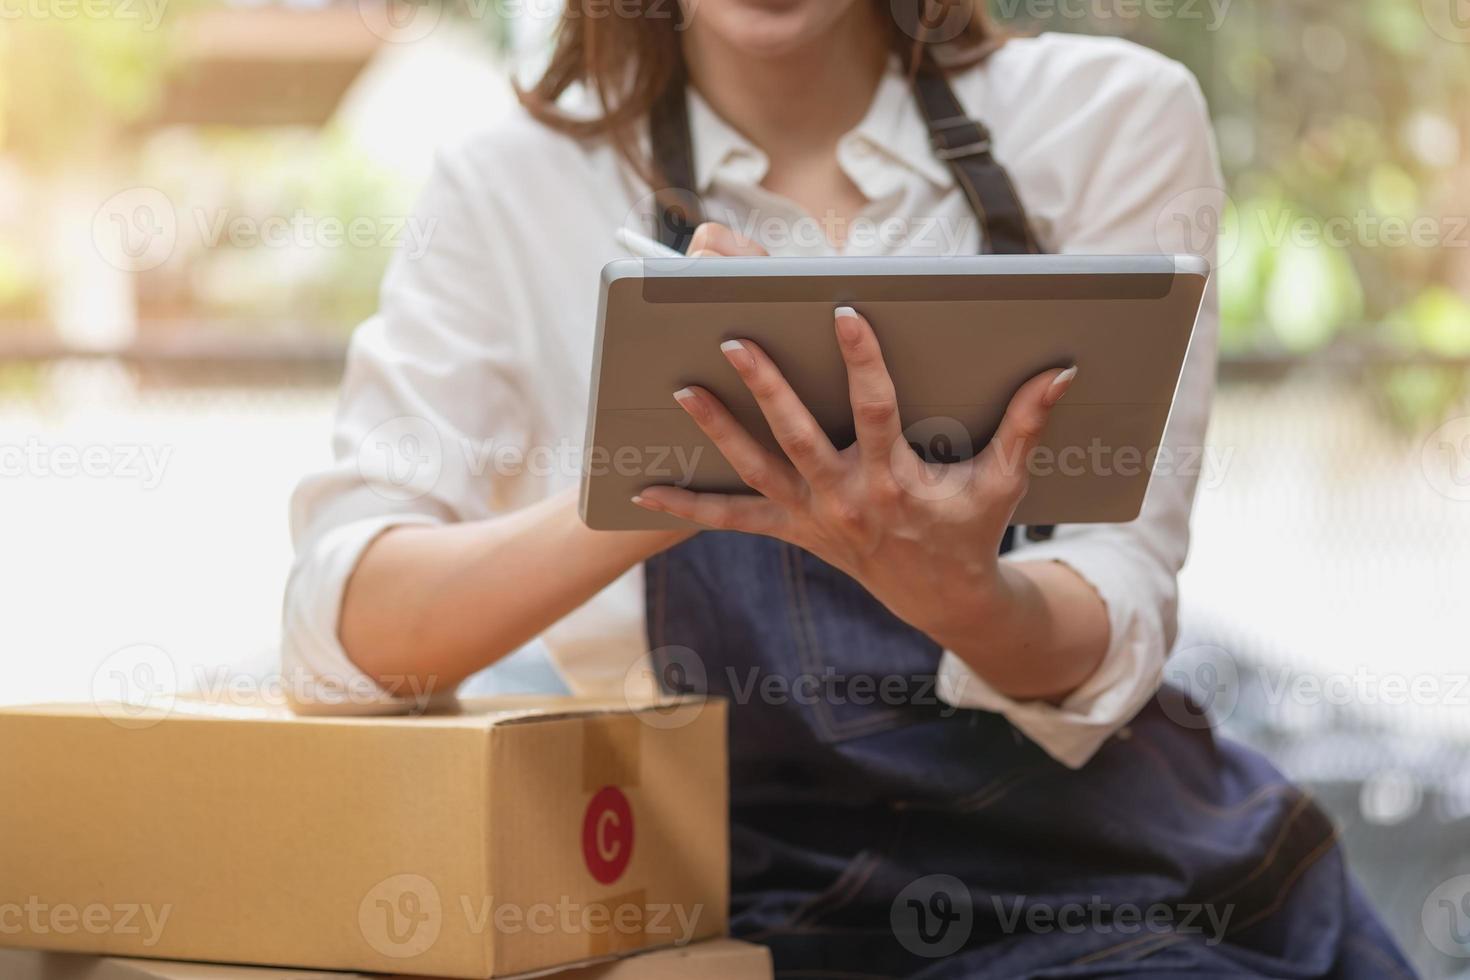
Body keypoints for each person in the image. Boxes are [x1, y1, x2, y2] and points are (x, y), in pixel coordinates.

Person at [282, 1, 1414, 975]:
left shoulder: (1107, 119)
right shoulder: (508, 191)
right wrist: (647, 476)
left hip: (1117, 887)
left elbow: (1119, 602)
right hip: (731, 907)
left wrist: (966, 591)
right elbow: (349, 637)